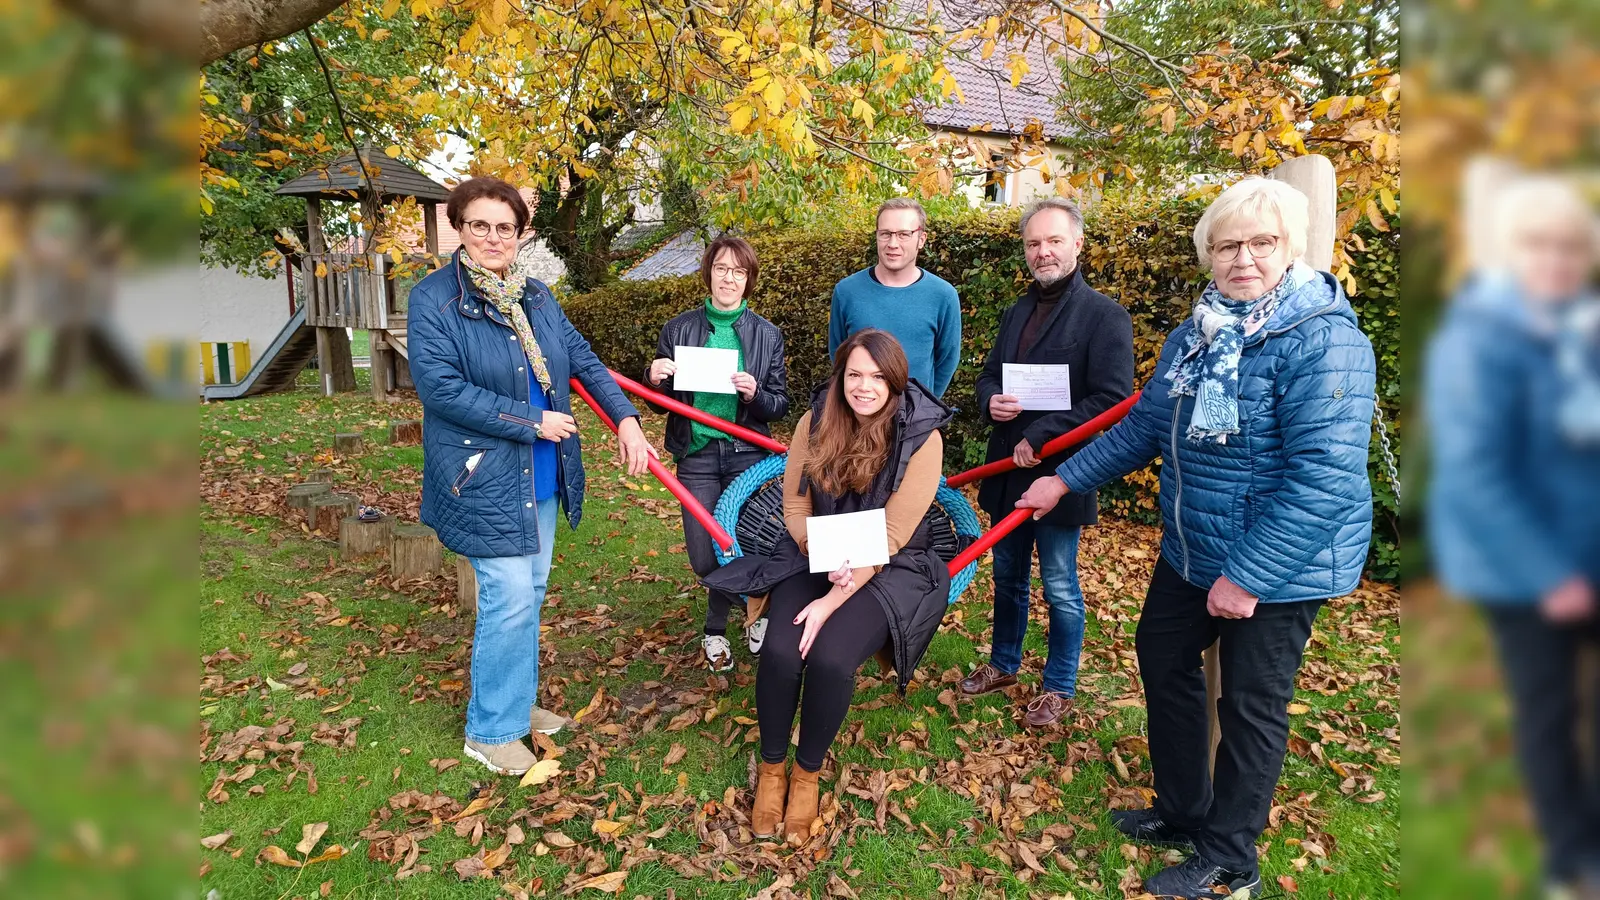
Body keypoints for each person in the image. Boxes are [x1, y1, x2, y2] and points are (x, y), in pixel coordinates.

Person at [1017, 177, 1376, 899]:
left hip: (1281, 562)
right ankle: (1183, 810)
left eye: (1261, 243)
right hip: (1194, 544)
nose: (1243, 259)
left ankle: (1230, 855)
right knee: (1161, 652)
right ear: (1209, 255)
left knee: (1250, 704)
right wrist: (1064, 479)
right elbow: (1148, 426)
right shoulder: (1199, 332)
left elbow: (1325, 479)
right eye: (1227, 246)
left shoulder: (1322, 340)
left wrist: (1247, 578)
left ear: (1288, 249)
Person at [409, 176, 658, 777]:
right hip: (484, 471)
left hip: (540, 472)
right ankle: (491, 730)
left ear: (522, 235)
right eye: (479, 225)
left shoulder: (537, 297)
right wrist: (531, 420)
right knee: (510, 596)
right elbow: (440, 388)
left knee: (531, 593)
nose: (492, 238)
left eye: (505, 227)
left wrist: (626, 419)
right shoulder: (435, 298)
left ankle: (514, 704)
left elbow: (585, 361)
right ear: (459, 228)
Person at [703, 329, 952, 843]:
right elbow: (795, 507)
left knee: (832, 658)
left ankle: (807, 774)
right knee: (779, 649)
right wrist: (819, 552)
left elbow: (892, 533)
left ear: (896, 382)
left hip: (892, 563)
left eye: (878, 377)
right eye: (854, 374)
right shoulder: (814, 422)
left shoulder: (923, 437)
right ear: (840, 377)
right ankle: (773, 769)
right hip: (819, 547)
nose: (864, 387)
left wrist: (832, 600)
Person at [1426, 175, 1600, 898]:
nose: (1556, 258)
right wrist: (1546, 573)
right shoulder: (1478, 340)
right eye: (1539, 244)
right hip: (1523, 566)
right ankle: (1571, 860)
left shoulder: (1585, 326)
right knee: (1549, 709)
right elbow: (1476, 475)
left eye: (1570, 245)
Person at [963, 198, 1134, 726]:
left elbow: (1111, 398)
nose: (1043, 252)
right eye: (1035, 243)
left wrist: (1041, 435)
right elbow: (990, 375)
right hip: (1006, 469)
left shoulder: (1106, 316)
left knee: (1060, 584)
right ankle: (1004, 664)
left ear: (1077, 244)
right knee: (1009, 576)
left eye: (1054, 241)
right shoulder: (1017, 311)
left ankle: (1060, 685)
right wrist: (989, 399)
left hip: (1062, 472)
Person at [644, 236, 790, 671]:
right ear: (708, 272)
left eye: (739, 271)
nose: (729, 278)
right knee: (704, 555)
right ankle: (748, 608)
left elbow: (779, 404)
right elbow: (660, 402)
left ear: (749, 280)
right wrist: (654, 379)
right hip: (698, 455)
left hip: (749, 455)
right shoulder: (678, 329)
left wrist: (756, 394)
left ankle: (721, 628)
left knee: (749, 543)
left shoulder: (767, 334)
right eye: (722, 269)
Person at [827, 198, 962, 398]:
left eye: (903, 235)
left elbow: (947, 360)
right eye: (885, 234)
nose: (893, 243)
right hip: (858, 414)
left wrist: (925, 404)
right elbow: (838, 356)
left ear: (921, 239)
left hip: (916, 418)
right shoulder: (847, 291)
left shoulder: (943, 295)